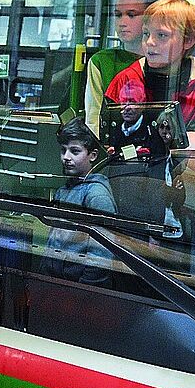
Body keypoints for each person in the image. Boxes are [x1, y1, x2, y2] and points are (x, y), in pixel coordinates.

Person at [105, 0, 195, 129]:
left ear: (188, 41)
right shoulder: (125, 80)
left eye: (161, 35)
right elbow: (110, 135)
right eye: (146, 33)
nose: (149, 42)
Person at [41, 118, 116, 287]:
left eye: (75, 151)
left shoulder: (97, 196)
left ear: (93, 155)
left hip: (77, 290)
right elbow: (52, 242)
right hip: (57, 284)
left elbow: (101, 256)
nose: (66, 157)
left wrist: (84, 289)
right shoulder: (65, 190)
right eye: (63, 150)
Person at [84, 0, 158, 133]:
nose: (122, 23)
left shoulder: (163, 60)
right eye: (118, 15)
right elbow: (93, 118)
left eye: (131, 15)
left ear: (151, 18)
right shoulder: (101, 62)